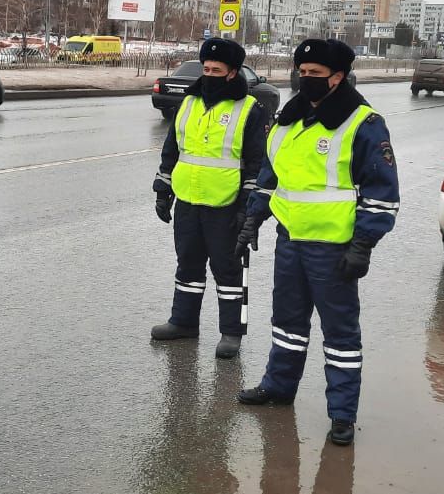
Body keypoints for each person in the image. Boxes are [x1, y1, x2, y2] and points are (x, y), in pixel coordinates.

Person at [234, 38, 400, 445]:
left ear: (338, 77)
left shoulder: (363, 122)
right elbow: (273, 177)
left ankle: (342, 414)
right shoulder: (287, 120)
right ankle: (278, 387)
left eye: (314, 75)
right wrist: (252, 220)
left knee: (340, 335)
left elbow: (383, 192)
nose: (304, 80)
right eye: (301, 73)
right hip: (290, 241)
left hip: (334, 249)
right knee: (287, 325)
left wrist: (364, 244)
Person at [151, 37, 268, 359]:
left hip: (226, 205)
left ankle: (232, 332)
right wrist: (164, 190)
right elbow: (173, 149)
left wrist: (248, 207)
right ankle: (183, 322)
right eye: (206, 68)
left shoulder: (250, 109)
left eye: (217, 69)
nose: (210, 74)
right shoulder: (188, 103)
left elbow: (258, 163)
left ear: (233, 73)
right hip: (189, 199)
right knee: (188, 264)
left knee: (228, 270)